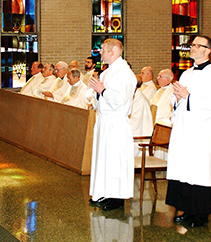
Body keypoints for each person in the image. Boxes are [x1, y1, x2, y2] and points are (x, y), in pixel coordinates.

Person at [166, 35, 211, 228]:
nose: (192, 48)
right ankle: (187, 209)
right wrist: (176, 97)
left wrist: (188, 97)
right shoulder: (187, 73)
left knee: (199, 170)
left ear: (208, 51)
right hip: (185, 128)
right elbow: (178, 100)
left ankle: (200, 214)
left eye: (197, 45)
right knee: (186, 169)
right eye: (192, 45)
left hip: (202, 132)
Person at [88, 39, 137, 211]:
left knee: (115, 160)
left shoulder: (124, 73)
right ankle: (103, 192)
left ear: (113, 52)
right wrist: (96, 92)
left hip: (116, 122)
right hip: (105, 121)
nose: (100, 52)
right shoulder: (108, 72)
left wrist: (102, 90)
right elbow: (102, 95)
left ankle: (116, 198)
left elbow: (119, 100)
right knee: (104, 159)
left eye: (102, 50)